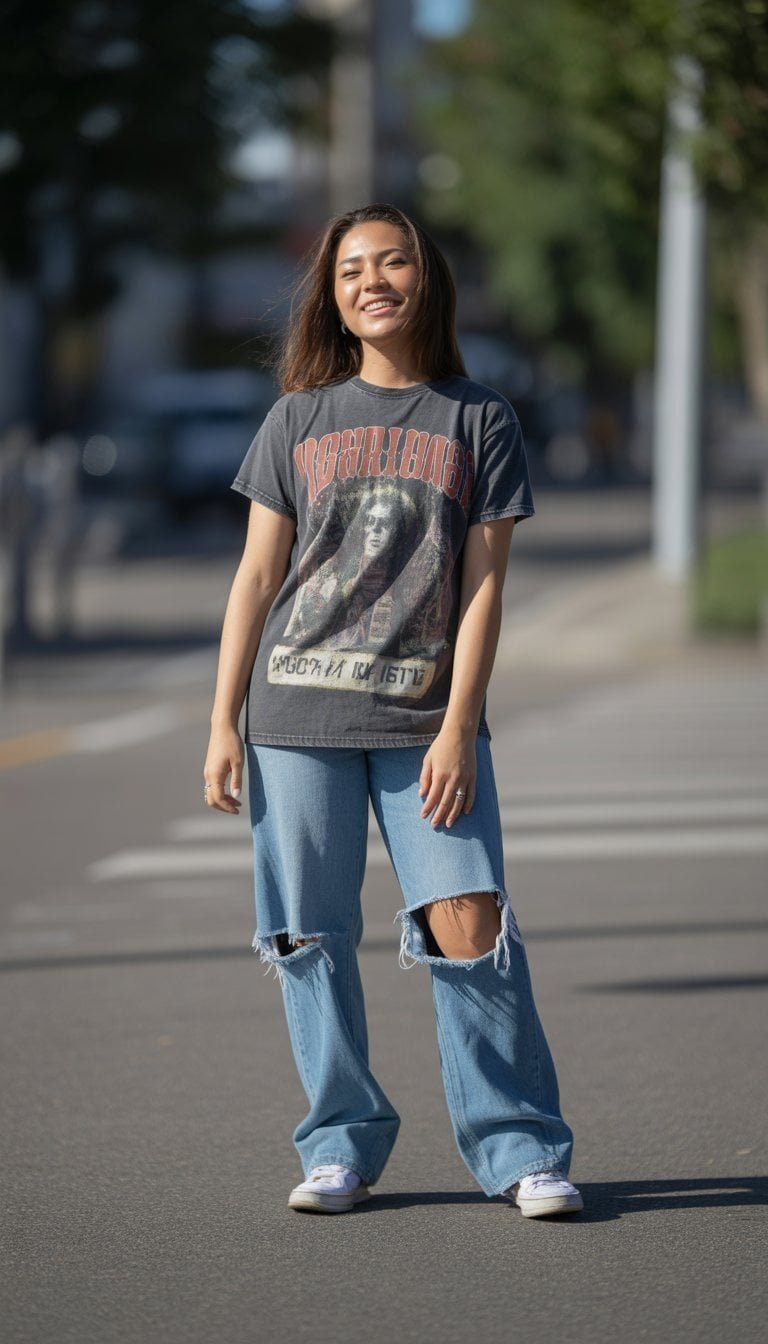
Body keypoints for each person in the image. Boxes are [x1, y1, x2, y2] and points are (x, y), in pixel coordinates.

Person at [203, 203, 582, 1220]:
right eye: (349, 270)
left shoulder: (477, 416)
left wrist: (462, 722)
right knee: (307, 938)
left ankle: (520, 1148)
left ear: (428, 279)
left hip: (425, 724)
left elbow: (484, 585)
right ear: (332, 297)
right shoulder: (296, 418)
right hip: (295, 719)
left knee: (472, 928)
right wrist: (220, 724)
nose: (371, 281)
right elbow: (255, 579)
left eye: (393, 261)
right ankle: (339, 1144)